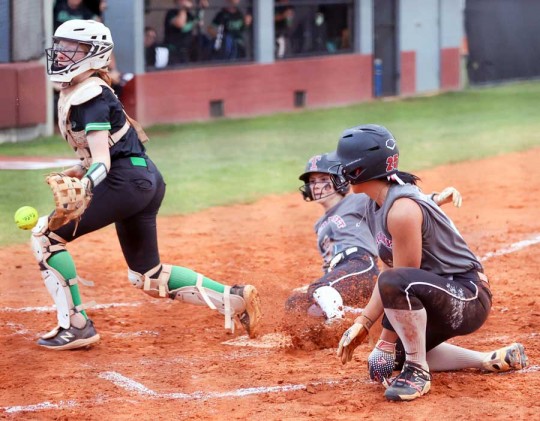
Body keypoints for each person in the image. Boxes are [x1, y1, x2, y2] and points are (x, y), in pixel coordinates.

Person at [34, 19, 262, 351]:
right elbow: (107, 152)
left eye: (73, 49)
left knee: (46, 237)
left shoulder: (89, 94)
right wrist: (75, 172)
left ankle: (77, 326)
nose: (62, 54)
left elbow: (103, 161)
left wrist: (86, 185)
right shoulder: (84, 90)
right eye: (62, 47)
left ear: (95, 55)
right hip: (143, 178)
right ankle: (236, 299)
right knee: (147, 275)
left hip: (124, 182)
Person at [332, 124, 528, 401]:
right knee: (396, 352)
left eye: (345, 165)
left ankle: (417, 371)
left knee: (394, 302)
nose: (340, 171)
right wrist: (363, 323)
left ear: (360, 169)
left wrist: (385, 342)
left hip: (468, 296)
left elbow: (400, 278)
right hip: (440, 292)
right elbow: (389, 271)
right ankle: (487, 359)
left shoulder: (401, 210)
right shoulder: (374, 204)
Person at [285, 153, 463, 325]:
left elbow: (398, 201)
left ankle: (337, 324)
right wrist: (321, 285)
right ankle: (343, 326)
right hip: (341, 272)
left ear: (339, 180)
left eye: (323, 179)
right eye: (312, 181)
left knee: (319, 290)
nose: (316, 186)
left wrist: (436, 198)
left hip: (359, 264)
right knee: (296, 302)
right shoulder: (319, 224)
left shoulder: (356, 200)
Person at [163, 0, 202, 65]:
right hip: (173, 51)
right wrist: (183, 8)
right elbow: (181, 24)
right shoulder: (171, 13)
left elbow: (198, 21)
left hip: (186, 51)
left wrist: (201, 7)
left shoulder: (189, 15)